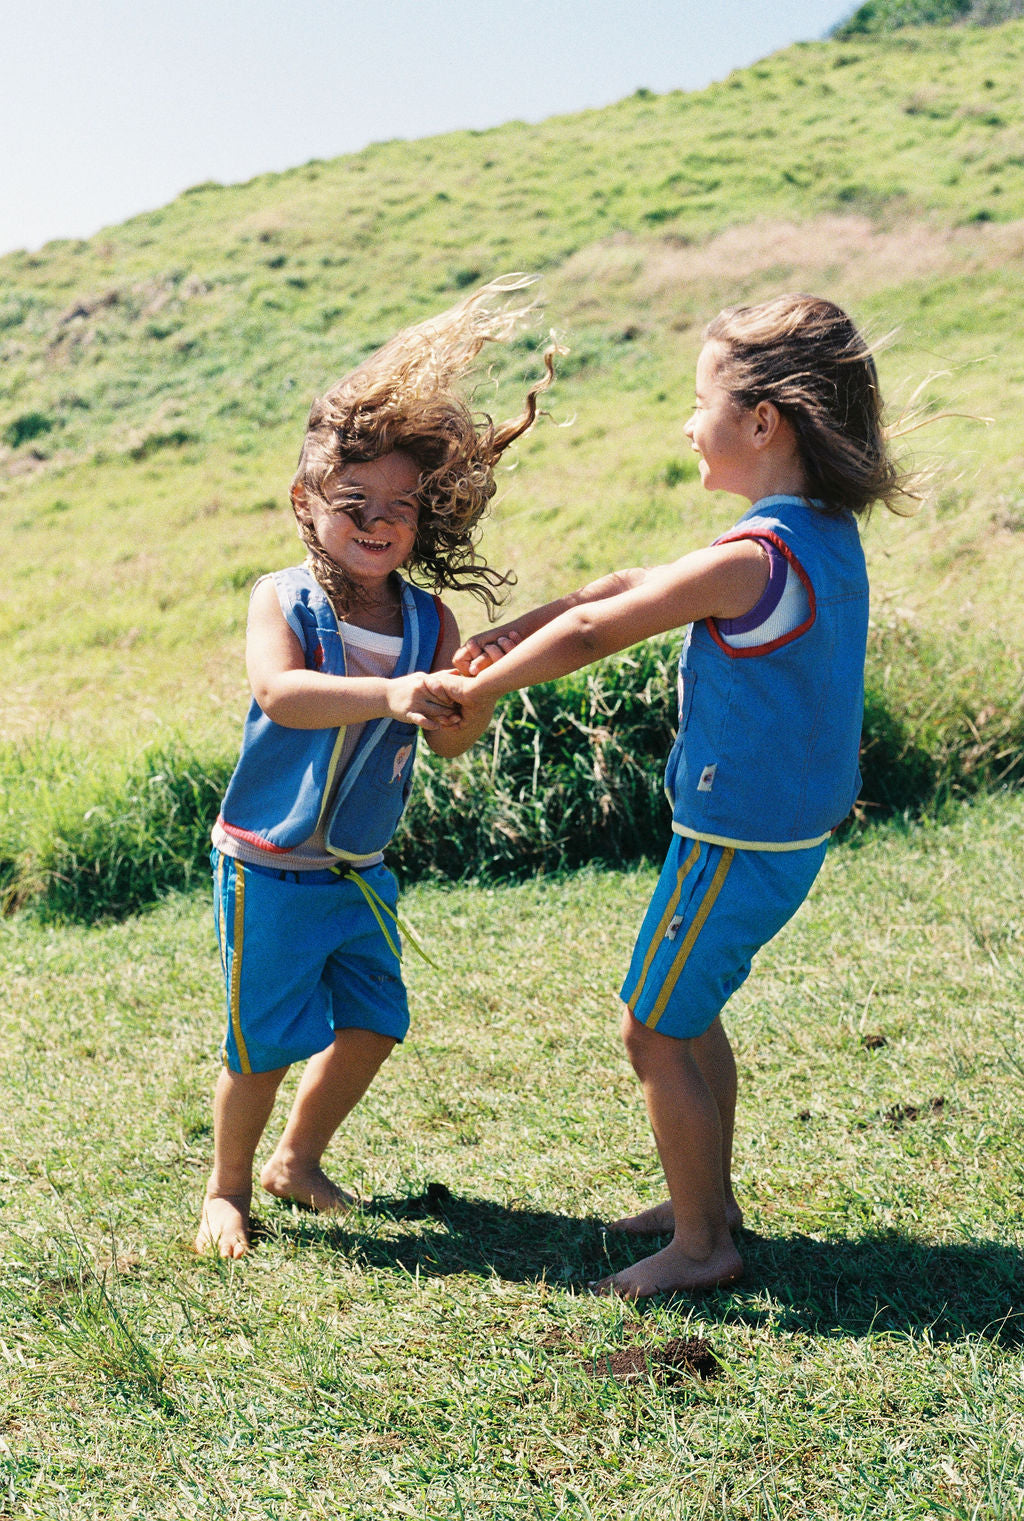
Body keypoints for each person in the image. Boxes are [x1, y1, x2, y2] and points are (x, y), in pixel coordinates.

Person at [426, 293, 915, 1298]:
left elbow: (599, 631)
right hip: (782, 836)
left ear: (761, 422)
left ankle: (700, 1247)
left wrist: (480, 688)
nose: (687, 424)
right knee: (687, 1016)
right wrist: (515, 628)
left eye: (699, 402)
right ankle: (709, 1203)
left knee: (650, 1028)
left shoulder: (751, 560)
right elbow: (618, 587)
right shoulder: (812, 534)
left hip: (735, 841)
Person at [196, 278, 556, 1258]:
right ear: (305, 503)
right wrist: (393, 693)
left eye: (401, 506)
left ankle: (297, 1160)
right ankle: (228, 1188)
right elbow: (282, 696)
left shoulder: (429, 621)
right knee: (260, 1045)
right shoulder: (281, 601)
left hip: (359, 869)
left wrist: (468, 699)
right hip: (269, 868)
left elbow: (447, 742)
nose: (378, 521)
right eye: (354, 502)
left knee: (375, 1022)